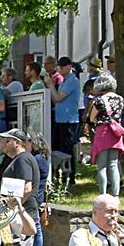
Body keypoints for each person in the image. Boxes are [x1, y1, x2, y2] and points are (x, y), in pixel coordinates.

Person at [89, 71, 124, 196]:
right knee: (113, 164)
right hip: (116, 133)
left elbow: (91, 117)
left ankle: (103, 193)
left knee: (102, 166)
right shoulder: (120, 99)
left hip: (103, 132)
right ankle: (116, 194)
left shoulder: (99, 100)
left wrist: (96, 121)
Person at [50, 57, 82, 187]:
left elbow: (57, 97)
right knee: (59, 150)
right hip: (60, 119)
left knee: (68, 150)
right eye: (59, 67)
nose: (60, 69)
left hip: (69, 120)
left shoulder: (72, 81)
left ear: (69, 67)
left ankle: (70, 178)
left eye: (62, 67)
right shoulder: (64, 81)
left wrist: (51, 86)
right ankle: (61, 176)